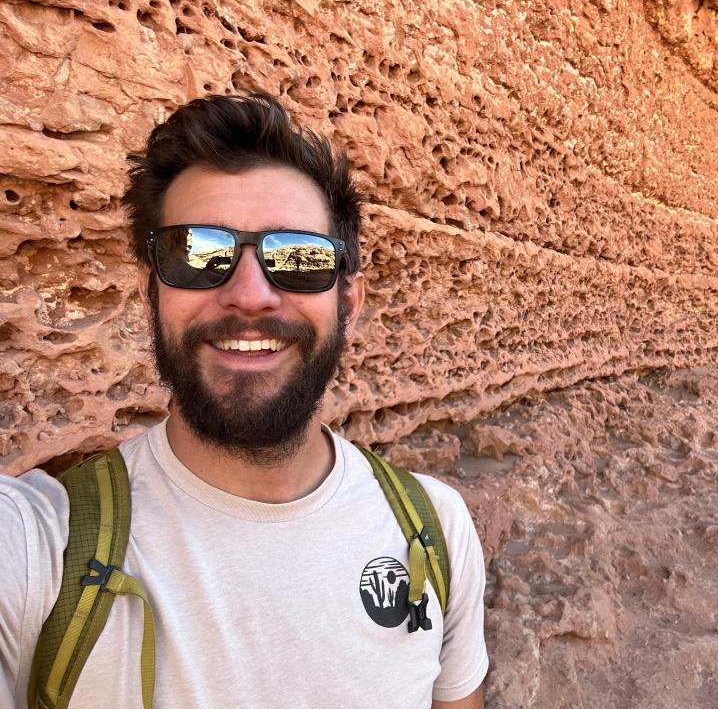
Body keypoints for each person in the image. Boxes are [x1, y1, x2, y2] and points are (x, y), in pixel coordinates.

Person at [0, 94, 488, 708]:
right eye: (197, 253)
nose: (251, 295)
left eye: (300, 258)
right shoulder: (44, 543)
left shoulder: (435, 528)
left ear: (350, 303)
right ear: (151, 296)